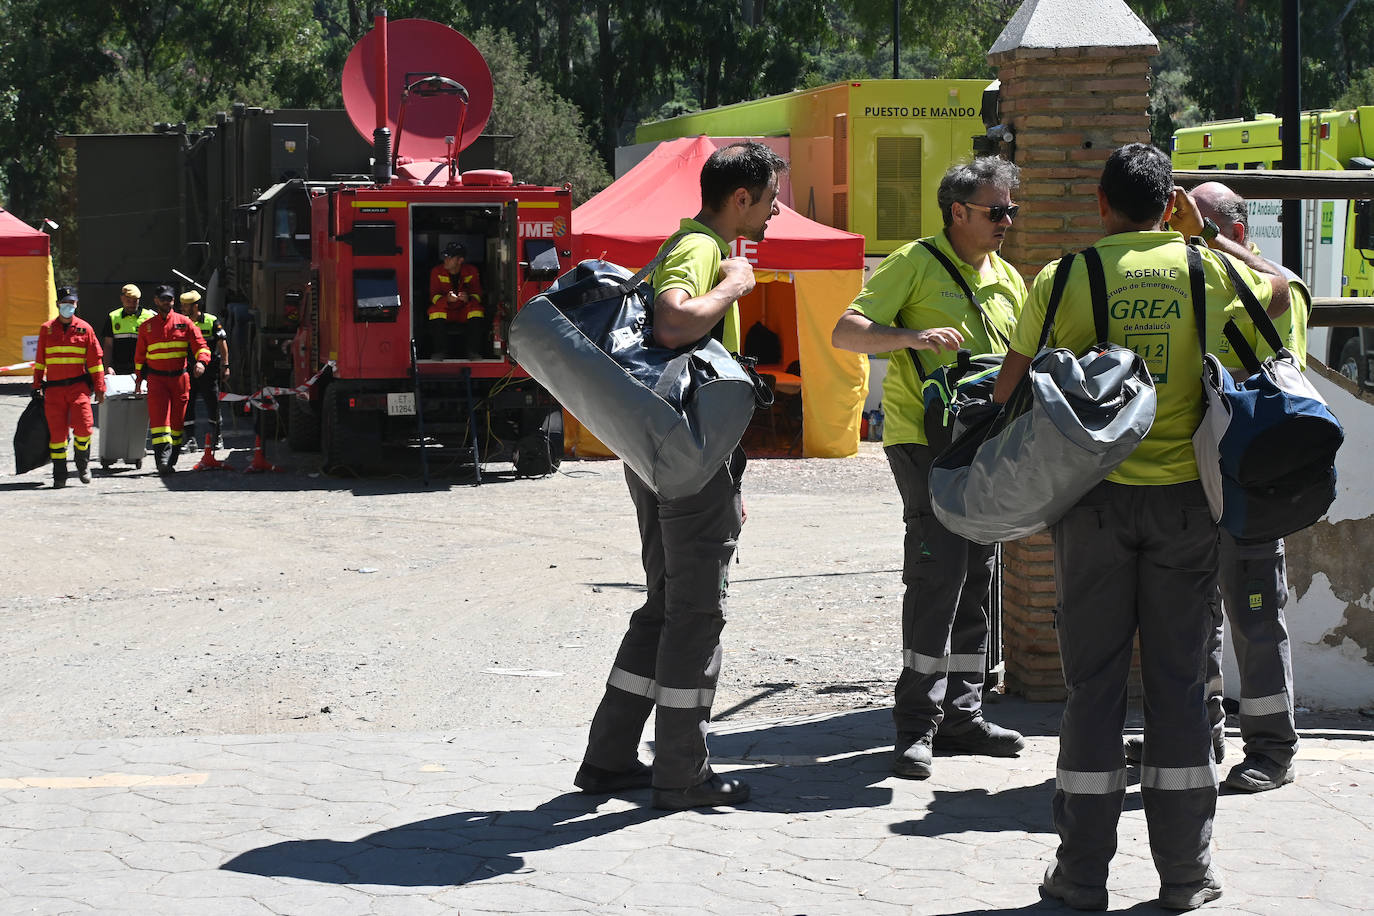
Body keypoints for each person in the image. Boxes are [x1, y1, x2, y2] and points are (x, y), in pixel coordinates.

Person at [991, 144, 1290, 912]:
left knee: (1091, 688)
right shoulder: (1211, 271)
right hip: (1188, 507)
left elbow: (1010, 386)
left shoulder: (1066, 276)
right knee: (1180, 688)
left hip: (1090, 507)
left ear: (1100, 203)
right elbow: (1284, 306)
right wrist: (1209, 237)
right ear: (1170, 207)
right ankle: (1185, 875)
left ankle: (1082, 875)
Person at [575, 140, 786, 810]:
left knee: (665, 609)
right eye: (772, 196)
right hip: (686, 460)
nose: (777, 210)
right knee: (696, 615)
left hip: (666, 452)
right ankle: (682, 774)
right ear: (742, 197)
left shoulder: (685, 242)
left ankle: (610, 759)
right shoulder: (702, 248)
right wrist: (733, 285)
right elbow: (671, 325)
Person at [830, 156, 1028, 781]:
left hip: (985, 446)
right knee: (937, 573)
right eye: (997, 211)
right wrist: (911, 339)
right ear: (958, 212)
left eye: (1011, 210)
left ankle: (963, 719)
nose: (1007, 221)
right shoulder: (913, 263)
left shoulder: (1007, 277)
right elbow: (846, 331)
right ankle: (916, 723)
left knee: (978, 574)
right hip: (924, 441)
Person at [1122, 180, 1307, 794]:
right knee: (1191, 616)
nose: (1181, 235)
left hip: (1252, 481)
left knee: (1254, 613)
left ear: (1236, 232)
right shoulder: (1196, 281)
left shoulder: (1269, 287)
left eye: (1194, 225)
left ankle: (1271, 747)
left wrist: (1209, 246)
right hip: (1194, 477)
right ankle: (1196, 731)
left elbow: (1276, 298)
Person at [33, 286, 106, 487]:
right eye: (65, 303)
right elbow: (40, 361)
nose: (68, 307)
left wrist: (100, 388)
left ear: (76, 304)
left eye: (71, 303)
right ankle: (60, 473)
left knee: (84, 428)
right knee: (57, 435)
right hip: (54, 390)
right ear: (58, 305)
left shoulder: (85, 329)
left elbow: (95, 362)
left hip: (78, 388)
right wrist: (36, 384)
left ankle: (82, 464)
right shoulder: (46, 329)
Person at [134, 284, 210, 475]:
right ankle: (162, 461)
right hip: (157, 380)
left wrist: (201, 362)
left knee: (177, 423)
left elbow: (201, 345)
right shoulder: (147, 327)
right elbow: (139, 358)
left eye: (169, 299)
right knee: (160, 421)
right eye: (163, 299)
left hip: (179, 379)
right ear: (156, 301)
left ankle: (172, 457)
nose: (166, 302)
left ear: (173, 301)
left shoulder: (185, 323)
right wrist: (138, 382)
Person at [177, 290, 230, 449]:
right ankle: (190, 439)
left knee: (212, 403)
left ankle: (216, 437)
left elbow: (222, 344)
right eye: (183, 305)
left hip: (210, 370)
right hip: (189, 371)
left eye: (186, 306)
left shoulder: (212, 321)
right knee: (188, 404)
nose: (183, 308)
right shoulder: (182, 323)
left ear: (196, 306)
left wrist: (225, 366)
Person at [427, 242, 484, 359]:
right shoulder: (436, 271)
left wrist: (468, 298)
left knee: (477, 310)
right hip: (446, 309)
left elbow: (477, 295)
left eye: (450, 257)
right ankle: (439, 352)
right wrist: (446, 299)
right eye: (445, 256)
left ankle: (473, 352)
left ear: (460, 260)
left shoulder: (471, 271)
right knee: (434, 311)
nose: (446, 260)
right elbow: (433, 296)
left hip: (463, 309)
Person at [101, 283, 154, 376]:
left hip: (143, 369)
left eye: (135, 301)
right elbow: (108, 345)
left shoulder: (149, 317)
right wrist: (107, 366)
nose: (132, 304)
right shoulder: (113, 317)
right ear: (122, 298)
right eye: (128, 301)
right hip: (118, 370)